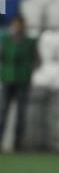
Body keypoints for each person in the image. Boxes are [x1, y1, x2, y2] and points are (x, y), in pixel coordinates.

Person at [0, 15, 37, 151]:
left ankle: (18, 145)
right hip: (7, 78)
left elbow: (36, 59)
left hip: (22, 79)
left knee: (21, 114)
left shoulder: (29, 42)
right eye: (15, 24)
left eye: (19, 25)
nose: (17, 27)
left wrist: (28, 70)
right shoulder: (5, 40)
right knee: (3, 112)